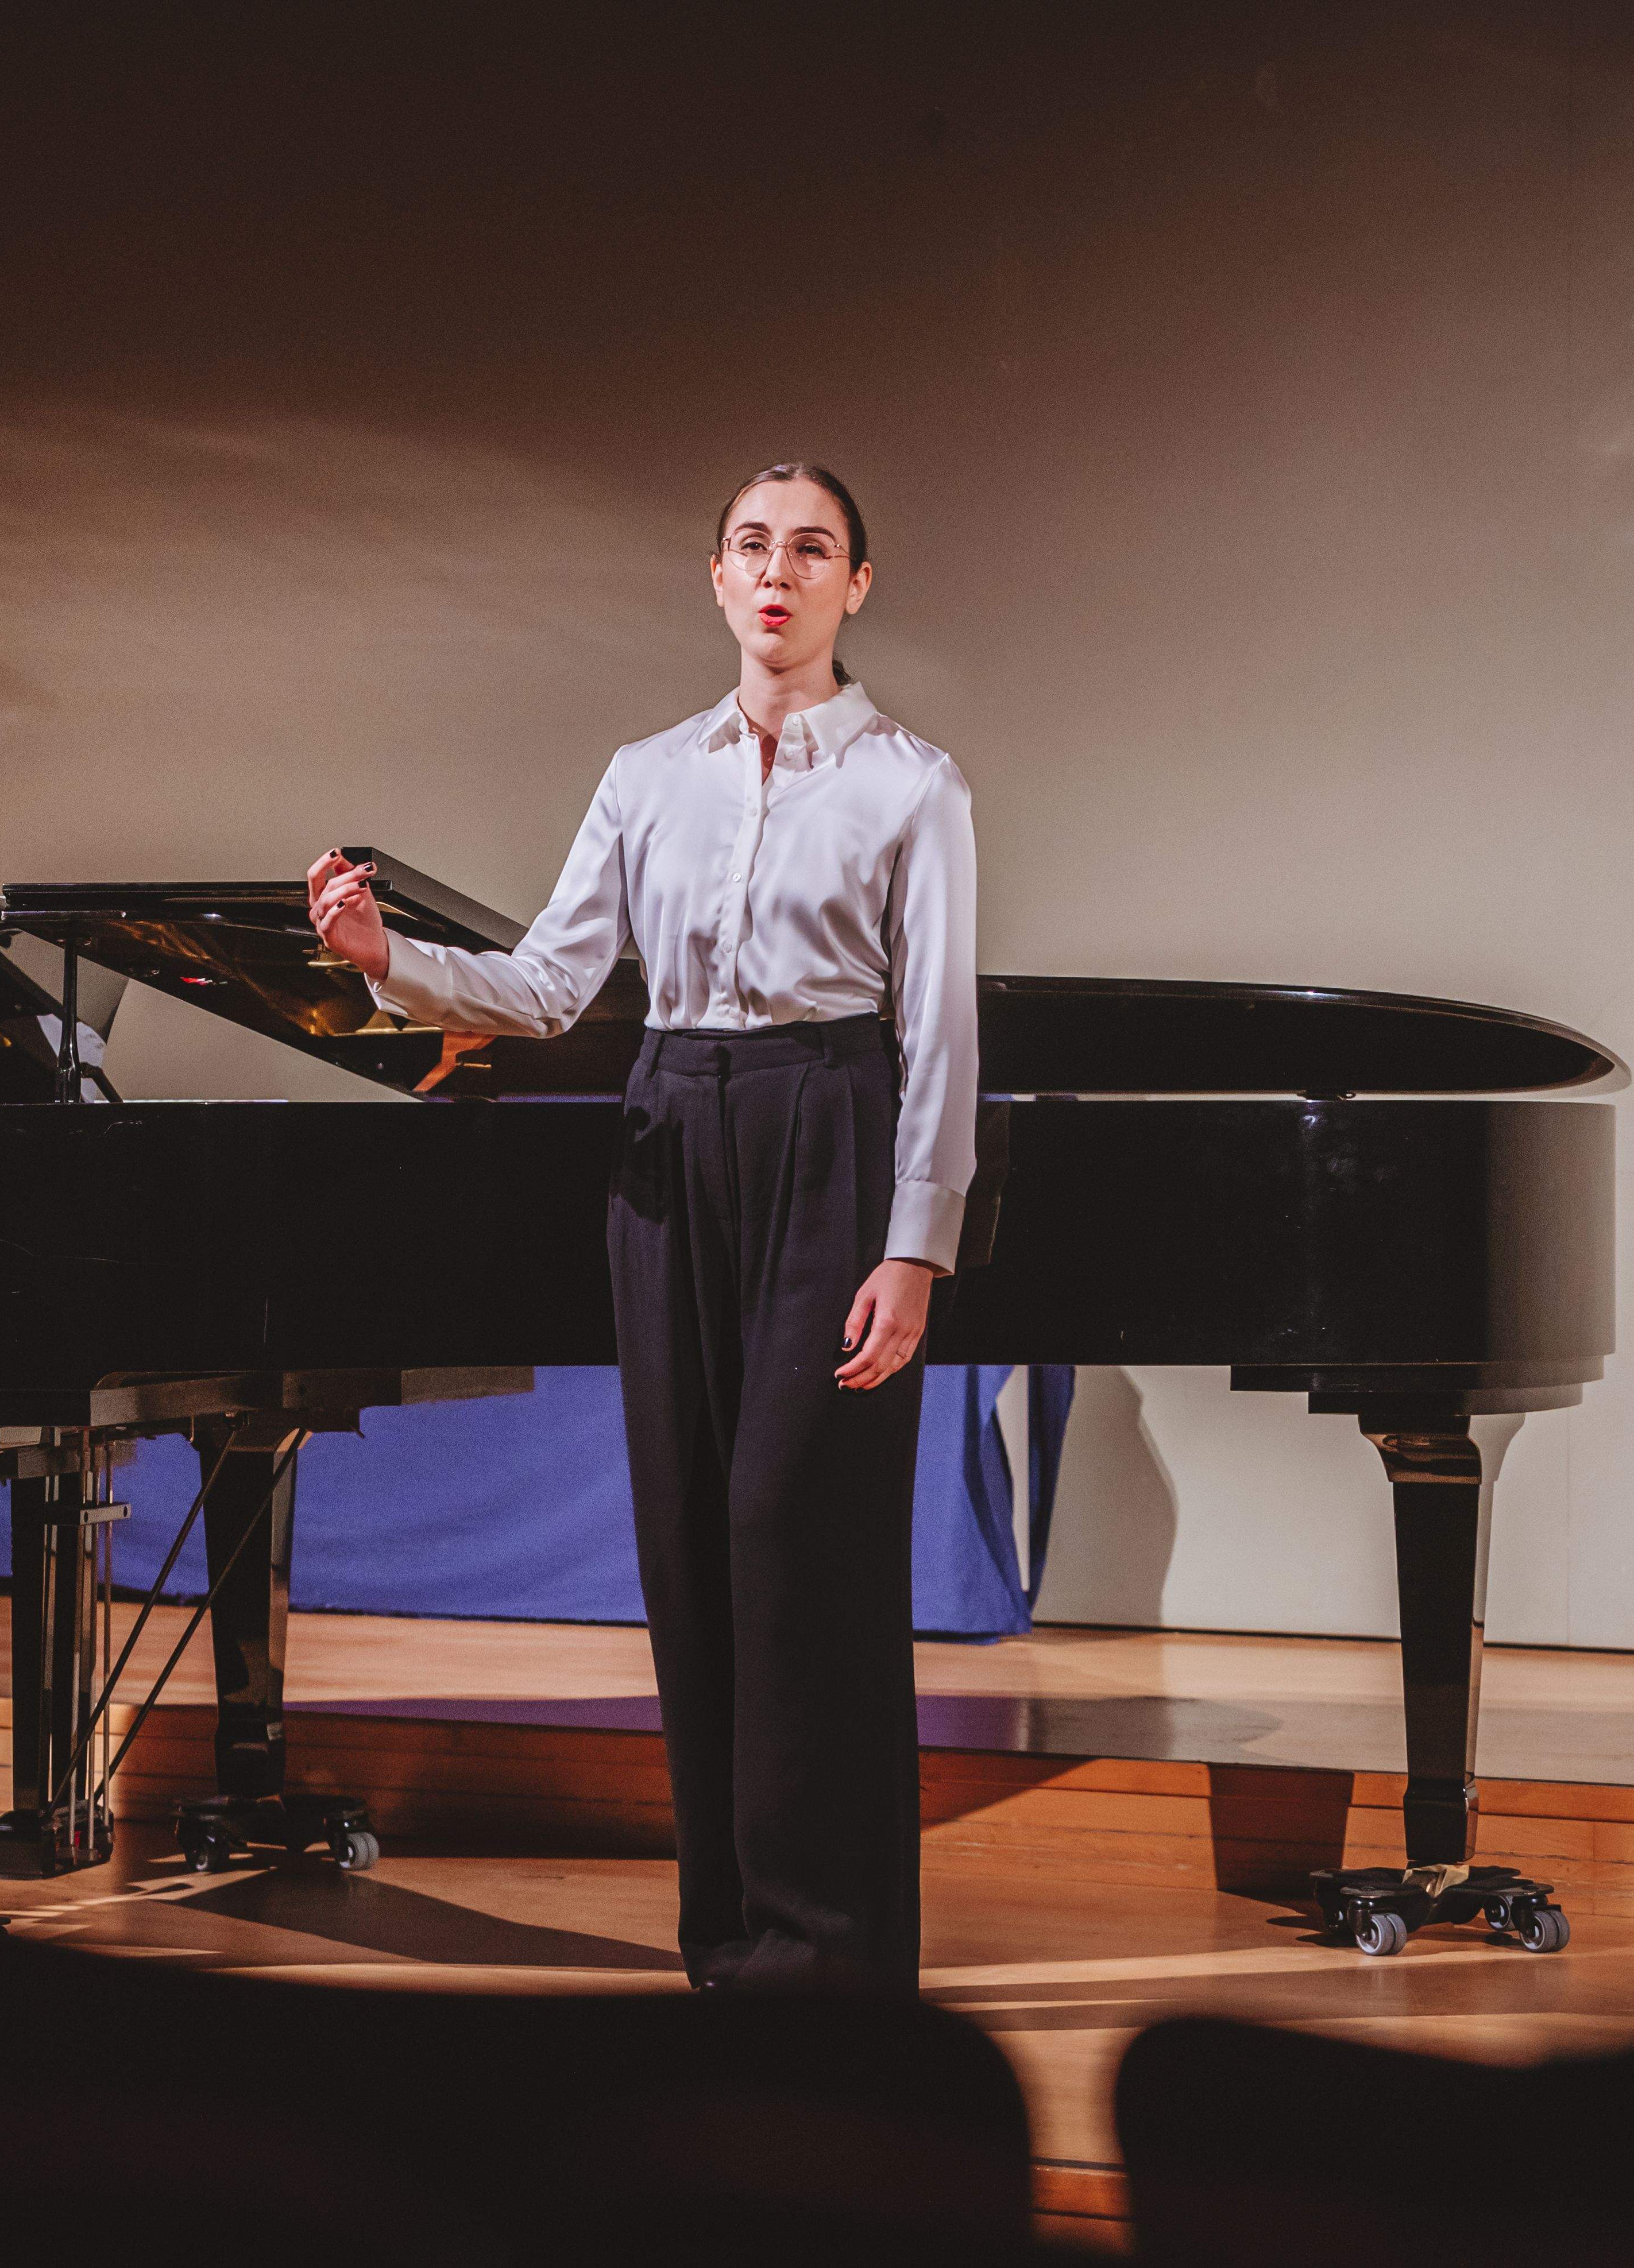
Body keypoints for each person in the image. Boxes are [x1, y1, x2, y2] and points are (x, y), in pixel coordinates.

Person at [307, 464, 974, 1991]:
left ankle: (831, 1940)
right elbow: (548, 987)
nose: (777, 571)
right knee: (687, 1535)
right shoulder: (643, 773)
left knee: (791, 1534)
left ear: (853, 585)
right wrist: (383, 956)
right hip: (669, 1128)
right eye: (752, 544)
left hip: (829, 1123)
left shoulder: (910, 783)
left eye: (809, 549)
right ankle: (728, 1932)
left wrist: (914, 1242)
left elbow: (938, 1032)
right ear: (715, 574)